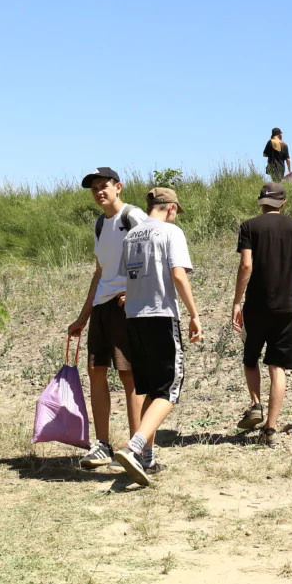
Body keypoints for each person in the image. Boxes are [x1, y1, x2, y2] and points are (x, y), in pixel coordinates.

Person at [113, 187, 202, 485]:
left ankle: (147, 459)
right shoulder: (170, 232)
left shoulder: (131, 236)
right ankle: (134, 445)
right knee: (169, 389)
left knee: (150, 389)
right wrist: (194, 314)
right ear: (172, 208)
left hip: (134, 319)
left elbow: (130, 278)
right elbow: (178, 274)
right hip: (161, 316)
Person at [231, 182, 292, 447]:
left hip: (257, 307)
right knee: (277, 367)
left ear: (260, 202)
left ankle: (255, 404)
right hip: (288, 308)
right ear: (283, 203)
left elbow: (246, 264)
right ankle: (270, 429)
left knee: (250, 360)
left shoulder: (249, 226)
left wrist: (237, 302)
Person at [67, 168, 149, 469]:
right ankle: (101, 445)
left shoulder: (134, 217)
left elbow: (151, 258)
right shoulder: (100, 224)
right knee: (96, 372)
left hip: (126, 306)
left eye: (104, 186)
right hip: (103, 305)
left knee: (130, 377)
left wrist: (136, 293)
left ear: (119, 187)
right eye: (94, 189)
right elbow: (100, 271)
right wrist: (83, 316)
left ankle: (135, 448)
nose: (99, 192)